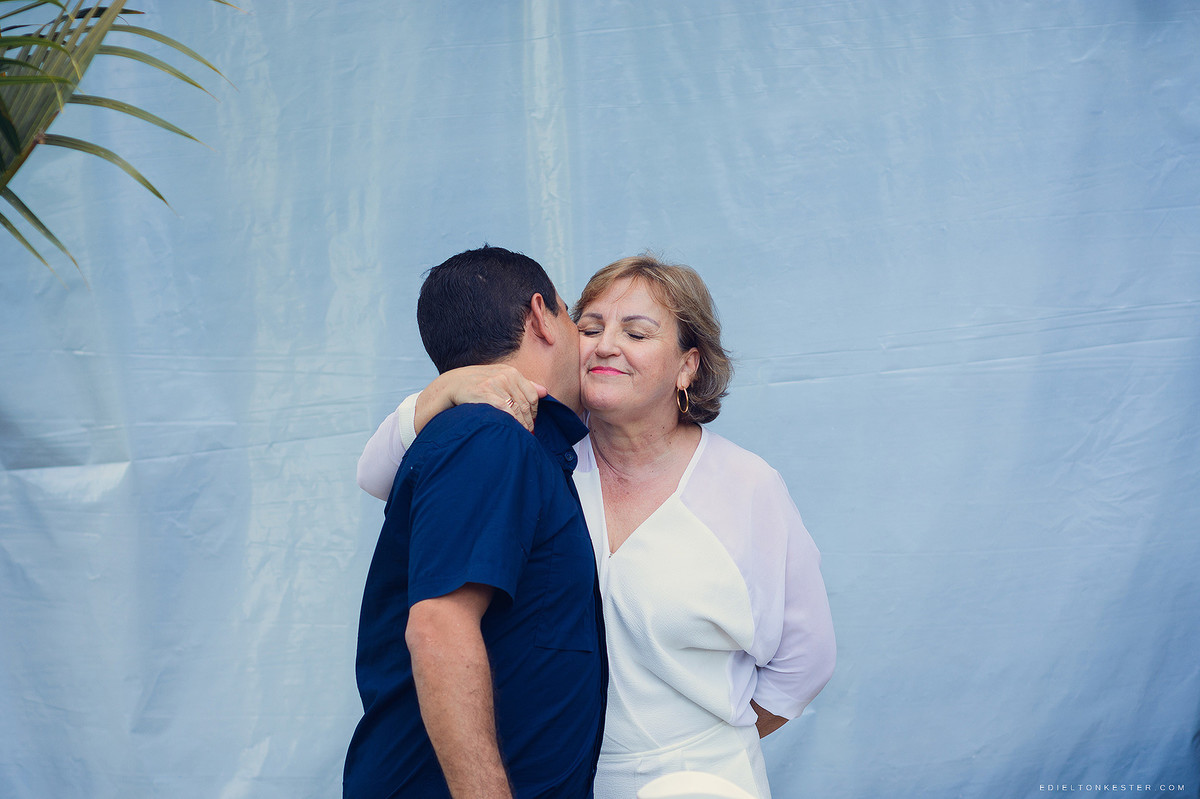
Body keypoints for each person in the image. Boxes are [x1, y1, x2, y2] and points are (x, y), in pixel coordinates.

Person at [357, 255, 835, 799]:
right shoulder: (539, 450)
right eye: (589, 327)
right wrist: (447, 389)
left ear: (688, 366)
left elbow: (806, 660)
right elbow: (376, 472)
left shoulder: (748, 486)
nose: (606, 344)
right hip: (560, 781)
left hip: (701, 778)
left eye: (636, 331)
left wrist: (703, 743)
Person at [343, 246, 606, 799]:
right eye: (572, 317)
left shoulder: (506, 440)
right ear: (540, 315)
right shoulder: (489, 438)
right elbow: (440, 624)